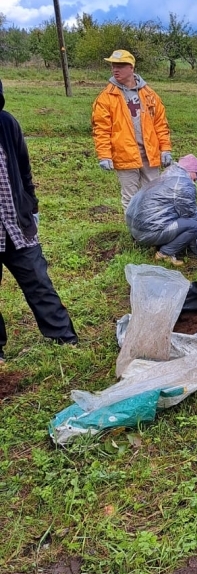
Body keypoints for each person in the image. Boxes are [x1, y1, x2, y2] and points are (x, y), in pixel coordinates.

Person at [0, 78, 77, 362]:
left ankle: (64, 338)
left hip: (16, 223)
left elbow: (23, 168)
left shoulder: (6, 123)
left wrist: (31, 206)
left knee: (38, 282)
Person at [91, 49, 172, 213]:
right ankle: (134, 232)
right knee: (130, 198)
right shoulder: (106, 97)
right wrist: (105, 155)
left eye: (120, 65)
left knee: (153, 194)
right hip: (124, 154)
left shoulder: (150, 95)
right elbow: (101, 129)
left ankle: (152, 228)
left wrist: (165, 149)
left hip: (149, 155)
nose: (115, 69)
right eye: (113, 65)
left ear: (131, 68)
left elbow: (160, 124)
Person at [125, 154, 197, 266]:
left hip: (135, 229)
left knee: (180, 219)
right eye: (196, 173)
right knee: (194, 226)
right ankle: (165, 253)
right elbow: (189, 215)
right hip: (147, 233)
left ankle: (158, 241)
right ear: (189, 170)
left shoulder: (167, 177)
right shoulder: (184, 184)